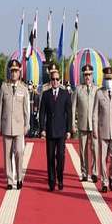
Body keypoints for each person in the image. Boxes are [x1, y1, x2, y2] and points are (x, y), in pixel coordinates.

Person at [39, 63, 72, 191]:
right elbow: (42, 113)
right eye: (53, 79)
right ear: (50, 80)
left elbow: (69, 113)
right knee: (50, 157)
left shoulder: (65, 94)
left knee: (61, 156)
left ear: (60, 80)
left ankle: (60, 178)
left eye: (57, 79)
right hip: (50, 130)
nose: (55, 81)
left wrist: (69, 130)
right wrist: (42, 129)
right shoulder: (46, 94)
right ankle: (51, 181)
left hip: (61, 131)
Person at [0, 60, 29, 189]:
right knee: (7, 154)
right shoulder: (4, 87)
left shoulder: (24, 88)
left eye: (16, 71)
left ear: (19, 72)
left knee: (19, 152)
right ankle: (10, 180)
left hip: (19, 126)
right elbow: (0, 106)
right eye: (12, 71)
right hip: (7, 125)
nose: (14, 73)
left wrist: (27, 125)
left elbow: (26, 109)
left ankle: (19, 177)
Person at [92, 67, 112, 193]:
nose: (108, 80)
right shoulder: (99, 93)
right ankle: (104, 182)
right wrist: (95, 129)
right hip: (102, 130)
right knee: (102, 158)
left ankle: (111, 176)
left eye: (110, 78)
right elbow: (95, 113)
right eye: (106, 78)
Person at [72, 64, 98, 183]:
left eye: (89, 75)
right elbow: (73, 108)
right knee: (83, 150)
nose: (87, 77)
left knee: (95, 149)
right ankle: (84, 172)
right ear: (83, 76)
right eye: (86, 75)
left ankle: (94, 172)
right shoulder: (78, 89)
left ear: (92, 75)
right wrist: (73, 124)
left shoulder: (97, 90)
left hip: (94, 125)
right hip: (82, 124)